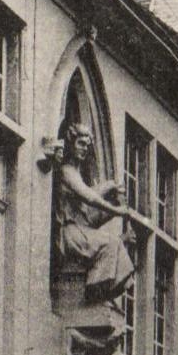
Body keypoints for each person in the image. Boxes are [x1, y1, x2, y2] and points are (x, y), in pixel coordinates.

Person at [54, 123, 135, 299]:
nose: (84, 149)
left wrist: (110, 186)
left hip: (79, 230)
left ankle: (103, 289)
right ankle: (95, 291)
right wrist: (117, 210)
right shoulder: (66, 170)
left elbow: (90, 192)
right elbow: (89, 197)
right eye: (80, 143)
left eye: (87, 145)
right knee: (111, 243)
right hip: (68, 233)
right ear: (71, 143)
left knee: (115, 243)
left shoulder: (76, 171)